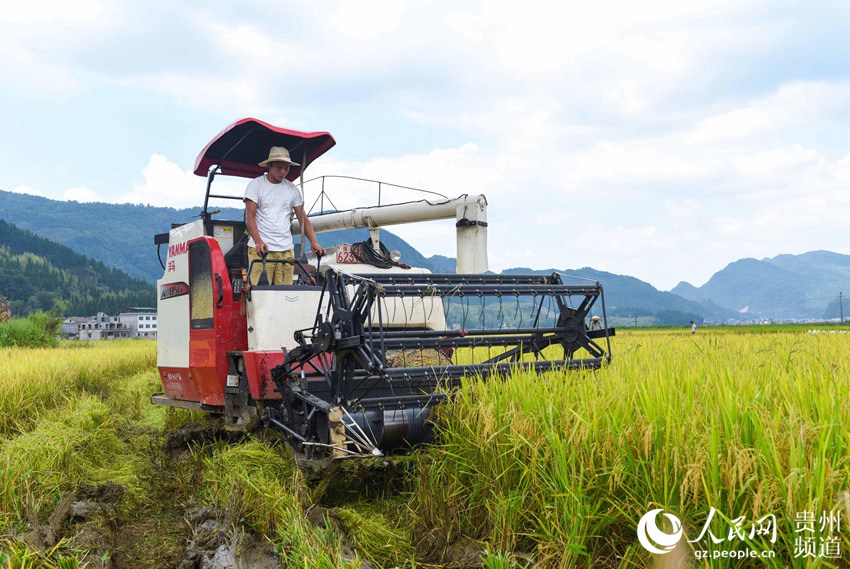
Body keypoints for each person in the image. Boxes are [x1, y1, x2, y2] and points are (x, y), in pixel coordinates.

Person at [244, 146, 324, 285]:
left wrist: (314, 242)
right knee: (260, 293)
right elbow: (250, 217)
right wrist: (258, 241)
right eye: (279, 167)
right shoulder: (256, 185)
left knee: (285, 293)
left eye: (286, 168)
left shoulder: (292, 189)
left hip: (286, 251)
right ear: (269, 165)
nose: (283, 171)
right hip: (262, 250)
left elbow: (303, 219)